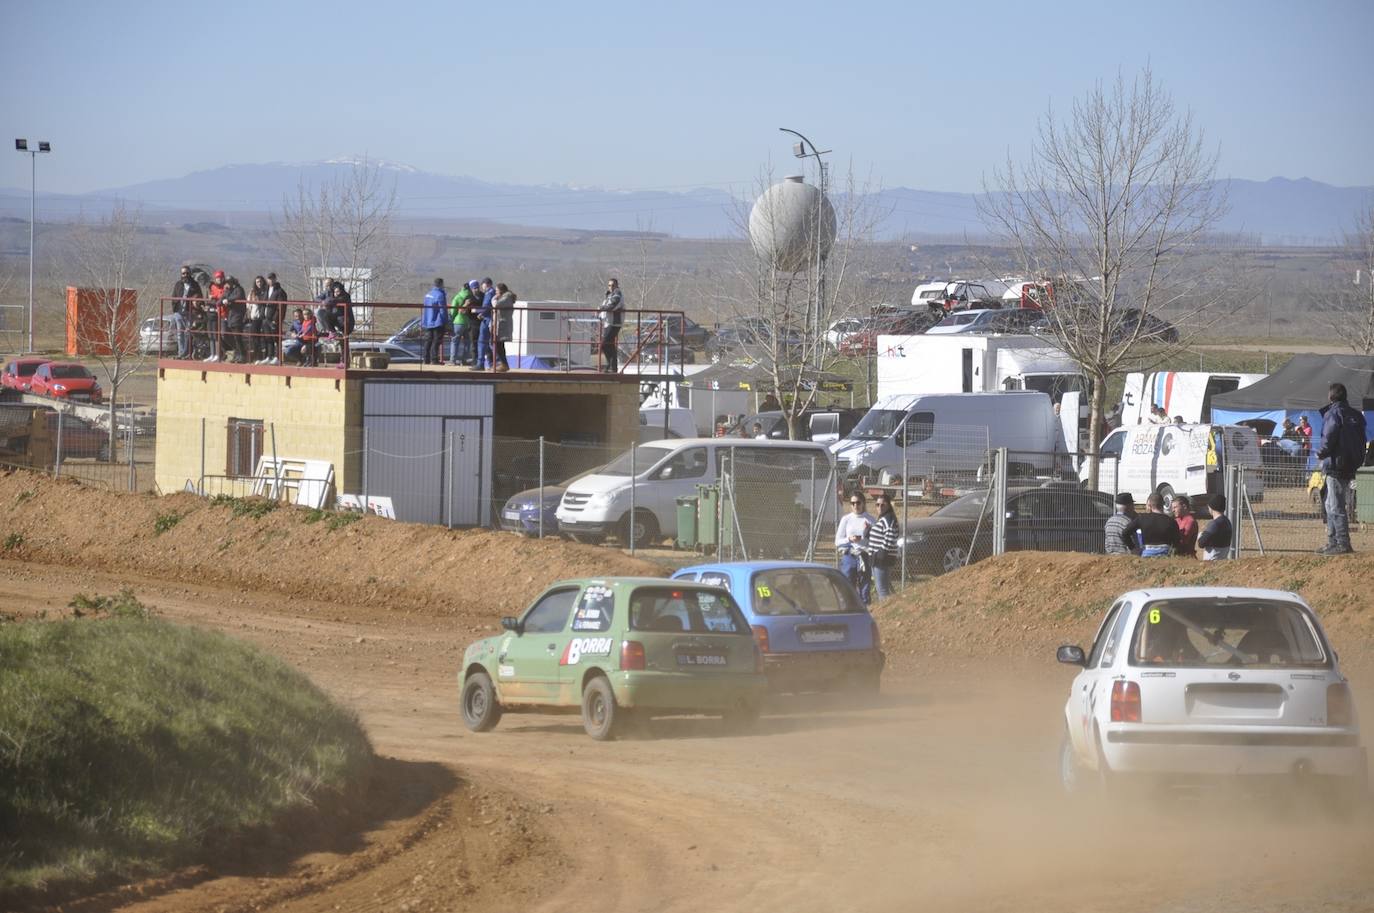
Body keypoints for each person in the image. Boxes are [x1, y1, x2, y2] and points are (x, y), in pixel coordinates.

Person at [1316, 381, 1368, 555]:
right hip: (1351, 464)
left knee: (1335, 505)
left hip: (1335, 464)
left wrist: (1321, 453)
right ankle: (1333, 541)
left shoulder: (1333, 414)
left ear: (1331, 396)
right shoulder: (1356, 415)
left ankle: (1342, 543)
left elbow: (1329, 437)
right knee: (1331, 503)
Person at [835, 492, 875, 604]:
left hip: (864, 556)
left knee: (865, 587)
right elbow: (837, 541)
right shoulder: (846, 519)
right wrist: (849, 539)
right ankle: (849, 611)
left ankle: (866, 611)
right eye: (852, 503)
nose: (855, 505)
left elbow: (876, 540)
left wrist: (867, 534)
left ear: (863, 503)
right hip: (849, 556)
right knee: (847, 586)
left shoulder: (870, 519)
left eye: (858, 502)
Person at [867, 492, 900, 600]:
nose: (879, 507)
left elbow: (890, 536)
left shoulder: (888, 519)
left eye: (883, 505)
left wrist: (881, 553)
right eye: (877, 505)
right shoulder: (883, 519)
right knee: (881, 588)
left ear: (888, 505)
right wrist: (869, 530)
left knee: (882, 590)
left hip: (882, 559)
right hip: (876, 558)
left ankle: (888, 611)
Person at [170, 266, 202, 359]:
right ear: (181, 274)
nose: (185, 275)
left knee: (188, 333)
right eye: (183, 273)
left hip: (189, 312)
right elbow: (174, 296)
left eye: (187, 273)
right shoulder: (178, 284)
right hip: (179, 312)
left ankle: (187, 354)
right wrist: (175, 307)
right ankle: (181, 354)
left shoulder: (195, 285)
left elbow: (199, 297)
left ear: (190, 273)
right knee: (180, 334)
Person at [1136, 492, 1180, 557]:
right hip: (1165, 554)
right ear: (1163, 504)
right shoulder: (1171, 521)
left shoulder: (1142, 518)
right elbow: (1176, 541)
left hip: (1147, 554)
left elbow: (1125, 532)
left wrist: (1133, 548)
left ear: (1150, 504)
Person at [598, 278, 625, 373]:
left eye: (613, 285)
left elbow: (612, 306)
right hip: (608, 323)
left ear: (617, 286)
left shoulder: (617, 294)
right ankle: (612, 367)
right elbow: (606, 307)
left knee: (605, 344)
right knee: (608, 344)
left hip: (614, 323)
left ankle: (612, 366)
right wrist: (600, 314)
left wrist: (601, 308)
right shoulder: (609, 295)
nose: (611, 287)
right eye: (609, 285)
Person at [221, 276, 248, 364]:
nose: (227, 284)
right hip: (231, 317)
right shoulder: (229, 290)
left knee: (237, 337)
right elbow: (221, 299)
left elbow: (238, 296)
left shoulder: (239, 289)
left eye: (229, 282)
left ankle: (242, 355)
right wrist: (223, 300)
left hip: (238, 316)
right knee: (233, 337)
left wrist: (227, 299)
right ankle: (237, 354)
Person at [449, 280, 476, 366]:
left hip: (458, 321)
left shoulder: (457, 297)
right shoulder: (472, 297)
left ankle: (453, 360)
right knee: (467, 342)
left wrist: (452, 319)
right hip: (468, 322)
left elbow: (453, 311)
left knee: (455, 341)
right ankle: (465, 359)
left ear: (462, 288)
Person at [1197, 493, 1232, 560]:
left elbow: (1201, 543)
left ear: (1211, 507)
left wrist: (1201, 534)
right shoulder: (1227, 522)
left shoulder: (1215, 524)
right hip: (1223, 559)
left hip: (1212, 560)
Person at [263, 272, 288, 364]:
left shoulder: (280, 291)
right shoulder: (266, 290)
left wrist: (276, 319)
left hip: (274, 319)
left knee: (276, 338)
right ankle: (269, 356)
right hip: (266, 318)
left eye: (272, 278)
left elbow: (280, 307)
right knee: (268, 338)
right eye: (269, 278)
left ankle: (278, 358)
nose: (270, 280)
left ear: (275, 279)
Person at [421, 278, 448, 365]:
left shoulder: (427, 294)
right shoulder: (440, 295)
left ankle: (426, 359)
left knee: (428, 340)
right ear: (441, 284)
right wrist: (445, 320)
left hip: (427, 320)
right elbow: (443, 309)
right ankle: (434, 359)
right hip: (437, 321)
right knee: (436, 341)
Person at [203, 269, 227, 362]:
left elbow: (223, 296)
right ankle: (212, 354)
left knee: (217, 335)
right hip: (210, 312)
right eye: (217, 278)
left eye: (220, 278)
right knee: (210, 334)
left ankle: (218, 354)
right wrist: (206, 303)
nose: (219, 280)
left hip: (219, 313)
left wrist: (215, 297)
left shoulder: (225, 287)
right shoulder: (211, 286)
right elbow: (208, 297)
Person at [492, 282, 515, 373]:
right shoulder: (506, 297)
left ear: (501, 291)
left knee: (499, 344)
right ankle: (503, 364)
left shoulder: (506, 298)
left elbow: (496, 305)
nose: (496, 293)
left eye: (497, 291)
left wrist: (494, 298)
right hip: (501, 324)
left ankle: (504, 364)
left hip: (503, 324)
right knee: (498, 344)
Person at [474, 278, 496, 371]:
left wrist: (477, 311)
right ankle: (492, 363)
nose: (481, 288)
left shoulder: (489, 293)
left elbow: (486, 306)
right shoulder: (493, 292)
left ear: (485, 284)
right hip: (489, 318)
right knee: (489, 342)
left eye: (482, 285)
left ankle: (481, 364)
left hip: (487, 319)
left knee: (482, 341)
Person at [247, 275, 270, 363]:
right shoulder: (253, 292)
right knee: (254, 336)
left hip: (263, 316)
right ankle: (257, 355)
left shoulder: (266, 291)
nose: (259, 283)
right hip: (255, 316)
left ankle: (264, 356)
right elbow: (248, 303)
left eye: (260, 281)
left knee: (264, 337)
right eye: (257, 282)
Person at [1172, 494, 1198, 558]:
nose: (1173, 510)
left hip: (1187, 557)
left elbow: (1183, 541)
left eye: (1175, 507)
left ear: (1184, 506)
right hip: (1178, 556)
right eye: (1172, 508)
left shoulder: (1190, 521)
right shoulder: (1177, 520)